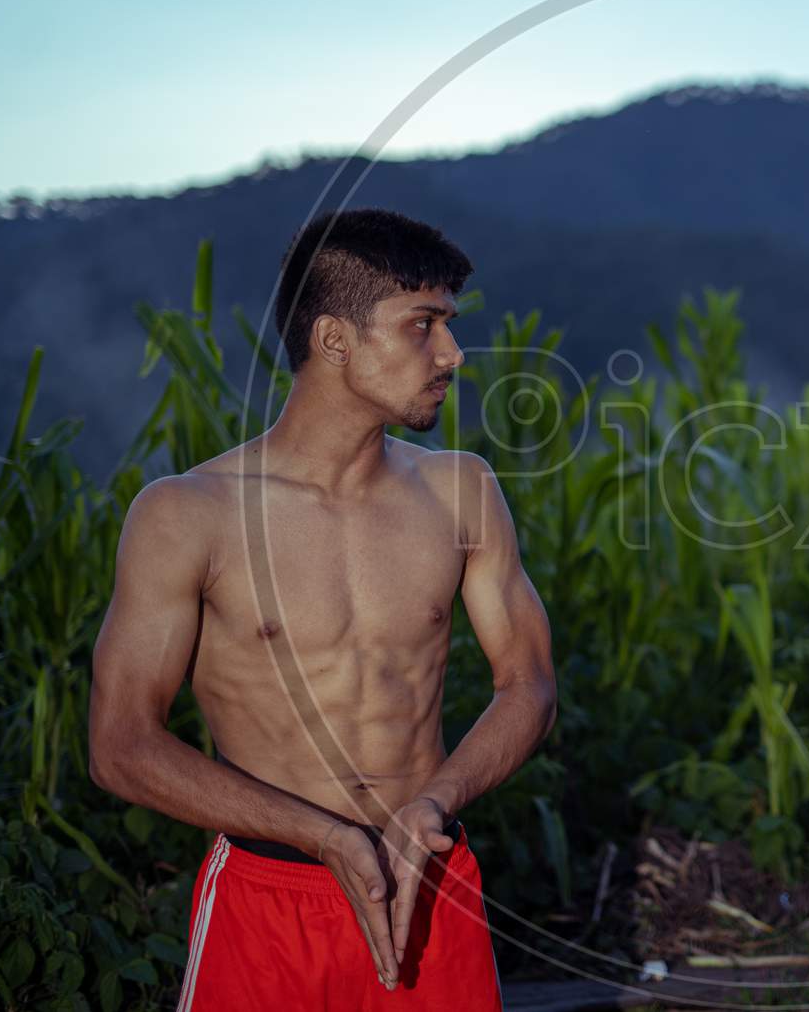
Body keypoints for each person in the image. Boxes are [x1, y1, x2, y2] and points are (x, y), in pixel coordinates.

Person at [88, 208, 556, 1010]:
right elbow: (121, 743)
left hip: (430, 883)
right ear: (334, 339)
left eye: (448, 324)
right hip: (268, 897)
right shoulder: (189, 513)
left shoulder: (461, 489)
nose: (452, 353)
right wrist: (324, 834)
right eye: (423, 325)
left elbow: (530, 683)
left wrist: (434, 803)